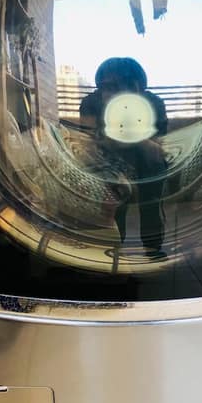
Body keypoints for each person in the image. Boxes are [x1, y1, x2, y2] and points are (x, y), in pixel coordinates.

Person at [80, 58, 168, 257]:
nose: (119, 93)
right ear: (100, 87)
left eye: (127, 84)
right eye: (109, 86)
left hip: (145, 159)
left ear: (139, 87)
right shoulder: (91, 102)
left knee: (151, 203)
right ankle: (114, 248)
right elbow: (88, 141)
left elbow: (157, 148)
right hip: (109, 159)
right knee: (114, 204)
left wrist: (130, 135)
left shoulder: (153, 102)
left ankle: (153, 248)